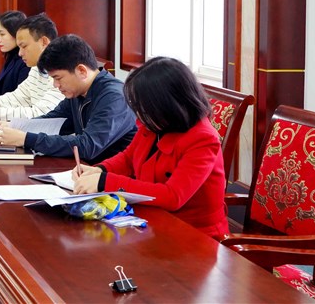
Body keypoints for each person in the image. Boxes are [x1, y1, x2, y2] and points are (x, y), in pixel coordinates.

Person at [73, 57, 228, 238]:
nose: (140, 116)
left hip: (193, 234)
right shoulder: (156, 124)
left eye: (145, 109)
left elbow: (173, 196)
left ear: (168, 105)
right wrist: (100, 170)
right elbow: (128, 158)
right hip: (151, 220)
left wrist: (104, 182)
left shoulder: (203, 139)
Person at [0, 34, 136, 162]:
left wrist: (25, 139)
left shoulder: (115, 97)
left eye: (58, 78)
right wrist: (14, 126)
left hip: (111, 178)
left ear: (81, 71)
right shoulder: (78, 92)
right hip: (86, 171)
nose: (55, 85)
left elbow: (88, 145)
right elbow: (54, 120)